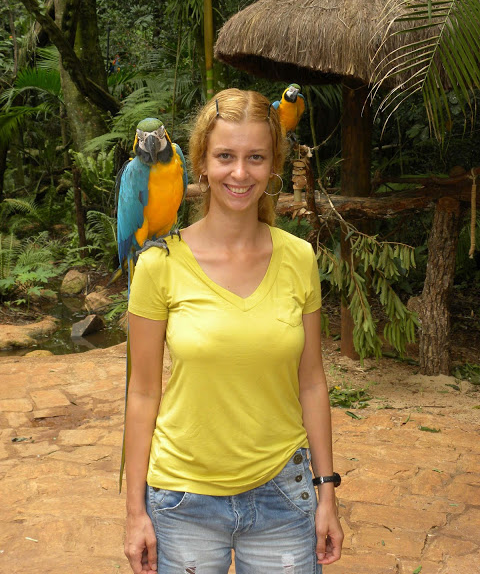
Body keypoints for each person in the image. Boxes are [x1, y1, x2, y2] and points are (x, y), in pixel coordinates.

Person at [124, 88, 343, 574]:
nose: (240, 173)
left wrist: (327, 491)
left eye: (255, 158)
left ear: (273, 165)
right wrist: (135, 512)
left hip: (284, 495)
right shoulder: (158, 264)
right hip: (182, 499)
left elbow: (311, 381)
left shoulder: (299, 258)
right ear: (201, 163)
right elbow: (142, 392)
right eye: (225, 156)